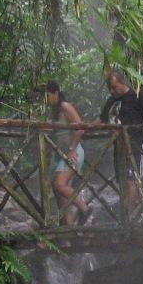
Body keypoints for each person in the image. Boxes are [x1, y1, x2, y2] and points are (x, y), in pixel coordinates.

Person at [98, 69, 143, 214]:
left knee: (134, 179)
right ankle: (130, 214)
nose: (112, 91)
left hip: (137, 145)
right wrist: (83, 128)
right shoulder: (111, 101)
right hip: (119, 147)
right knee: (123, 180)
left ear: (122, 83)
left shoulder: (137, 95)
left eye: (114, 87)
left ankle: (130, 214)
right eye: (109, 88)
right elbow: (102, 120)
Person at [46, 81, 91, 226]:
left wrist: (72, 149)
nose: (46, 99)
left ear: (56, 93)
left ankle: (85, 209)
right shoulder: (54, 110)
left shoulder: (65, 106)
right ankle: (68, 225)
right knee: (56, 188)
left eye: (47, 95)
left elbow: (80, 127)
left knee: (59, 184)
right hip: (61, 154)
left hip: (74, 152)